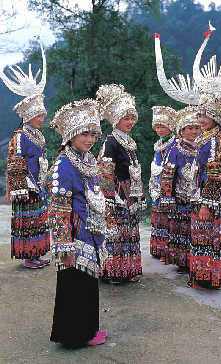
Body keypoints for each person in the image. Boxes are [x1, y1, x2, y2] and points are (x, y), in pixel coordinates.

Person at [46, 99, 108, 348]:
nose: (90, 139)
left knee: (87, 285)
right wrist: (64, 246)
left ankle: (87, 330)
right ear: (71, 135)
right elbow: (58, 209)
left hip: (90, 233)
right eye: (85, 133)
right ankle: (74, 335)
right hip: (75, 238)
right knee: (75, 284)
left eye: (94, 133)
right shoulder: (63, 165)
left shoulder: (89, 160)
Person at [1, 42, 50, 268]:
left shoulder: (38, 136)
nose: (42, 119)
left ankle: (36, 253)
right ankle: (29, 256)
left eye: (42, 115)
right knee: (28, 222)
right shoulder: (21, 136)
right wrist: (25, 185)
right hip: (27, 187)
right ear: (28, 116)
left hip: (38, 185)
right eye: (38, 115)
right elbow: (17, 162)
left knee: (38, 221)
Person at [96, 84, 144, 284]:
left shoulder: (130, 142)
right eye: (126, 118)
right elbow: (106, 171)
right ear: (116, 119)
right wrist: (110, 197)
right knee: (116, 233)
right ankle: (113, 272)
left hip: (130, 192)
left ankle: (128, 269)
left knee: (130, 231)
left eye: (132, 118)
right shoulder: (111, 142)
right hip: (117, 194)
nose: (130, 122)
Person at [189, 94, 221, 288]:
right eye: (199, 115)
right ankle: (206, 277)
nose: (201, 119)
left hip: (209, 197)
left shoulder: (218, 139)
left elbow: (216, 173)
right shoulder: (207, 136)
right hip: (202, 193)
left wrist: (207, 202)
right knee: (206, 237)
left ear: (215, 116)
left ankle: (206, 280)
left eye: (206, 115)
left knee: (207, 237)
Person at [156, 106, 201, 273]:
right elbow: (168, 174)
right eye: (190, 128)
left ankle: (194, 260)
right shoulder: (176, 149)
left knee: (194, 229)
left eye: (197, 127)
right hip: (180, 197)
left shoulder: (202, 147)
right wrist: (167, 196)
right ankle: (182, 262)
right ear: (182, 130)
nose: (194, 131)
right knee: (180, 230)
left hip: (196, 196)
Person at [149, 106, 177, 261]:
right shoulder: (158, 143)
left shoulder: (176, 143)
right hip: (157, 182)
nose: (159, 130)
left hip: (169, 185)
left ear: (170, 126)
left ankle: (167, 251)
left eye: (163, 126)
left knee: (168, 218)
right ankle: (157, 248)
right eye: (157, 126)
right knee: (157, 216)